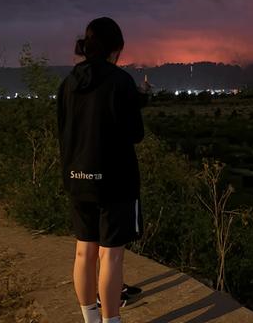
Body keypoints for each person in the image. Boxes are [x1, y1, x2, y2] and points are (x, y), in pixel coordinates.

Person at [57, 17, 150, 323]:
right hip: (115, 182)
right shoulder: (120, 81)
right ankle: (112, 320)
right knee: (111, 254)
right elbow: (135, 134)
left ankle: (90, 318)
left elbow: (65, 130)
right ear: (115, 48)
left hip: (77, 178)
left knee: (84, 251)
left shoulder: (68, 83)